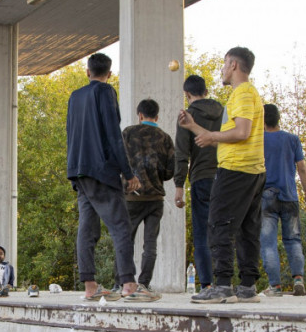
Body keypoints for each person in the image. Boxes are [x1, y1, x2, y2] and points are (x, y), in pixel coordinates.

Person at [65, 52, 158, 303]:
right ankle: (129, 284)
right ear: (109, 73)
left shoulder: (75, 97)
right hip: (100, 169)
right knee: (121, 226)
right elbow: (113, 136)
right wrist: (128, 173)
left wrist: (73, 170)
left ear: (87, 71)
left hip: (79, 170)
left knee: (87, 228)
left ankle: (90, 286)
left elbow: (70, 133)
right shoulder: (105, 92)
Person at [179, 46, 266, 304]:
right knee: (247, 229)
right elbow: (232, 139)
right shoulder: (250, 94)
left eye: (225, 64)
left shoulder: (241, 93)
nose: (222, 69)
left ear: (234, 65)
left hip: (235, 171)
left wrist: (213, 135)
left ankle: (223, 285)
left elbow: (241, 133)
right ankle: (248, 287)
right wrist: (194, 127)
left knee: (218, 224)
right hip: (253, 170)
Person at [111, 98, 174, 299]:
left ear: (139, 115)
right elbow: (170, 172)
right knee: (150, 244)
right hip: (155, 198)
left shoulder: (128, 133)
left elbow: (116, 159)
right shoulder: (165, 138)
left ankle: (119, 283)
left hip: (132, 197)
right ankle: (144, 284)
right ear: (157, 116)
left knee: (125, 240)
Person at [174, 75, 224, 292]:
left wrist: (178, 187)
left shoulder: (188, 116)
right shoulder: (224, 111)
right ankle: (225, 281)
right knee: (223, 230)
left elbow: (182, 152)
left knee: (202, 232)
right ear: (205, 90)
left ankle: (206, 284)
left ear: (187, 94)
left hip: (201, 177)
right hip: (225, 176)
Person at [260, 104, 306, 297]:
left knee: (268, 242)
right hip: (290, 196)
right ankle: (298, 279)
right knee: (293, 240)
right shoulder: (292, 140)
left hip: (267, 196)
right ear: (278, 119)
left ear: (262, 120)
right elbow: (302, 169)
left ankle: (275, 286)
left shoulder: (259, 140)